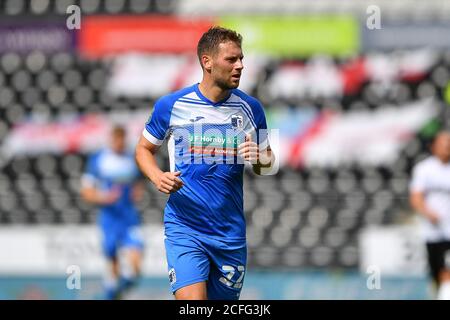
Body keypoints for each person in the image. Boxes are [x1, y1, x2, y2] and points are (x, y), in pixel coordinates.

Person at [135, 26, 275, 300]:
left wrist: (261, 158)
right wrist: (156, 176)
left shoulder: (251, 108)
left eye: (241, 59)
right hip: (185, 227)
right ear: (207, 62)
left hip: (229, 235)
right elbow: (143, 149)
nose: (241, 66)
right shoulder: (172, 105)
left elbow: (268, 163)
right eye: (232, 60)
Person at [81, 125, 145, 300]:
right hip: (109, 219)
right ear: (111, 139)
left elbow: (139, 180)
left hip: (129, 218)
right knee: (113, 263)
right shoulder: (98, 159)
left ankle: (113, 292)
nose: (119, 143)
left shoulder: (132, 158)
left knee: (135, 267)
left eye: (122, 140)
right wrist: (105, 197)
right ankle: (111, 293)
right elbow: (86, 192)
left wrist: (137, 191)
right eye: (116, 140)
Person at [410, 130, 450, 300]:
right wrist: (428, 213)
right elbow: (416, 197)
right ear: (433, 146)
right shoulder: (424, 169)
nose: (447, 146)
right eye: (443, 142)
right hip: (433, 232)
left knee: (447, 272)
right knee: (437, 273)